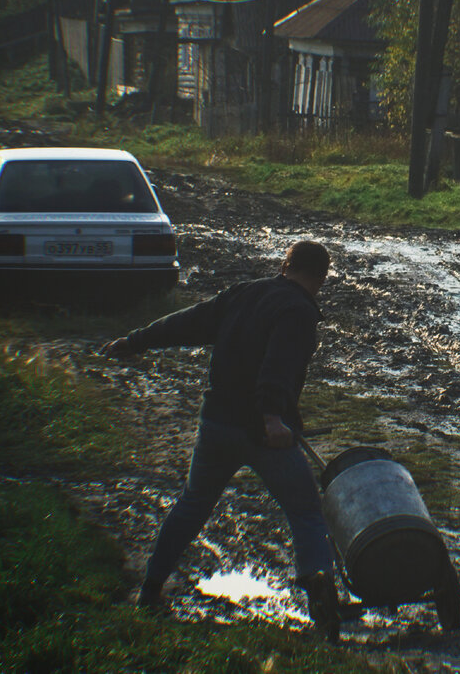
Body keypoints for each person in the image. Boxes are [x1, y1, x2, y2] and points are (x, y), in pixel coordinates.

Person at [102, 239, 339, 638]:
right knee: (306, 512)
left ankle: (150, 589)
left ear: (285, 265)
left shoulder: (246, 293)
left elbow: (190, 320)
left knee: (194, 503)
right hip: (263, 433)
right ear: (321, 276)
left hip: (216, 424)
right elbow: (277, 365)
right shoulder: (298, 311)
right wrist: (271, 418)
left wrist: (135, 340)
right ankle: (325, 613)